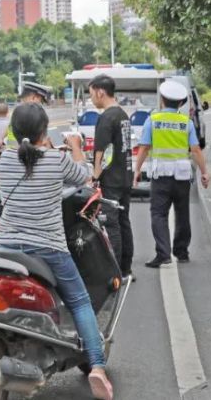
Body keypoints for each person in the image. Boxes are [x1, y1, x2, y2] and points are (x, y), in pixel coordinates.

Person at [0, 103, 113, 400]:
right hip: (48, 249)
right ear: (44, 132)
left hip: (6, 247)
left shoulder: (6, 159)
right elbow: (86, 175)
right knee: (80, 300)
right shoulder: (56, 161)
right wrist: (74, 146)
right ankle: (97, 367)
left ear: (13, 131)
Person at [133, 80, 210, 268]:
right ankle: (182, 252)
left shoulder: (153, 120)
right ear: (181, 103)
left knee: (158, 214)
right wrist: (204, 172)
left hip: (161, 176)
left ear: (162, 101)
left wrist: (137, 170)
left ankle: (163, 253)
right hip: (182, 176)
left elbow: (143, 148)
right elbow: (196, 150)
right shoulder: (186, 122)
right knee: (182, 213)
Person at [89, 74, 135, 279]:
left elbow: (101, 151)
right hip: (125, 176)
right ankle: (126, 268)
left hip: (112, 180)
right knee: (124, 222)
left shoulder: (106, 117)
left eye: (91, 93)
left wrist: (94, 176)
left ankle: (115, 272)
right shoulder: (123, 115)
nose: (92, 98)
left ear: (100, 91)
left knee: (111, 224)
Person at [4, 81, 54, 147]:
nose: (41, 105)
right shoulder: (29, 116)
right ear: (33, 98)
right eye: (41, 101)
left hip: (11, 153)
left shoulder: (18, 111)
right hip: (25, 154)